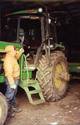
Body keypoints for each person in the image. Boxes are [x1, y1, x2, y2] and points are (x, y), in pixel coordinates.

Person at [3, 45, 24, 117]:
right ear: (10, 51)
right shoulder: (8, 60)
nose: (15, 51)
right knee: (9, 96)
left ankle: (13, 107)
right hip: (12, 80)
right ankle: (7, 112)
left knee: (13, 94)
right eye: (14, 50)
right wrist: (12, 84)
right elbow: (9, 74)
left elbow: (17, 56)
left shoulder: (12, 57)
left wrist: (20, 52)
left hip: (15, 78)